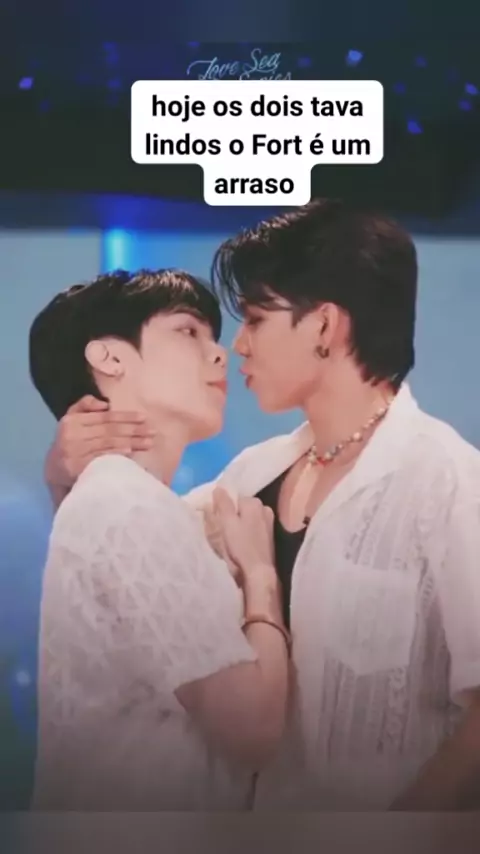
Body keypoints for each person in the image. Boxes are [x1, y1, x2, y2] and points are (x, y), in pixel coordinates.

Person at [45, 201, 480, 811]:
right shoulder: (253, 475)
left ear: (324, 326)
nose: (237, 346)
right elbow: (129, 563)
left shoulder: (448, 480)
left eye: (254, 319)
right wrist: (66, 471)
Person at [30, 269, 290, 811]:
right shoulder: (126, 502)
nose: (219, 354)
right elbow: (252, 728)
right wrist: (261, 578)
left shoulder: (129, 500)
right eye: (188, 331)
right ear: (109, 358)